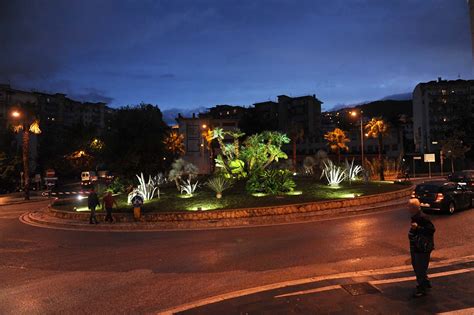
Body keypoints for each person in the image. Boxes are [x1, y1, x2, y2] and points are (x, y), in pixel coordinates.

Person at [408, 198, 436, 298]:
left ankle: (422, 288)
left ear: (414, 208)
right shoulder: (415, 217)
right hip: (416, 247)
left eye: (409, 207)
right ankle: (425, 282)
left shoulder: (422, 217)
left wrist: (417, 228)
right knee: (416, 266)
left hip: (422, 248)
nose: (408, 209)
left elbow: (431, 230)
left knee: (419, 267)